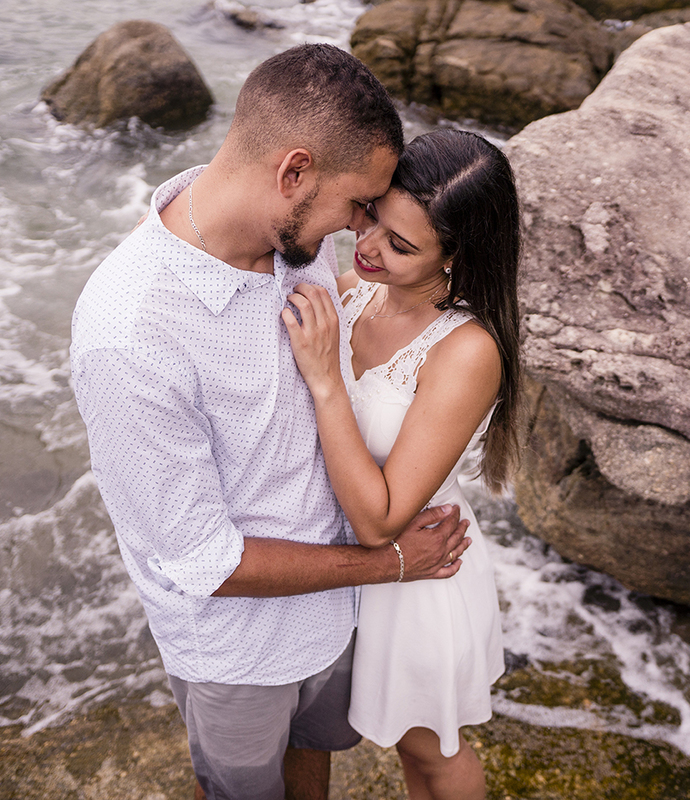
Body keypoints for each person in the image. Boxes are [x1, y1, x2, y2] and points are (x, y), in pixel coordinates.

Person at [70, 45, 472, 800]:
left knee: (310, 768)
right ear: (293, 173)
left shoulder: (296, 242)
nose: (363, 228)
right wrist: (389, 566)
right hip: (238, 651)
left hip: (332, 615)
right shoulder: (130, 334)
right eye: (359, 203)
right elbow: (206, 562)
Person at [282, 128, 521, 800]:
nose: (368, 248)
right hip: (341, 578)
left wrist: (327, 380)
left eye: (402, 245)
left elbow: (380, 518)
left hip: (419, 578)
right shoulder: (355, 291)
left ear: (457, 257)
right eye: (374, 220)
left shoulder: (466, 351)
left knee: (430, 755)